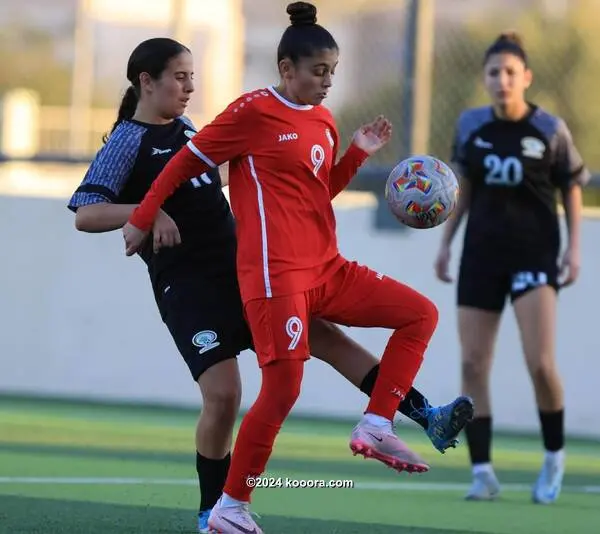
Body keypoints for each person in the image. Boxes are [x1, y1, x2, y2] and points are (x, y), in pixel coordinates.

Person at [68, 37, 473, 532]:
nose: (190, 86)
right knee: (225, 395)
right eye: (179, 77)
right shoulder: (128, 141)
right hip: (190, 284)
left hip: (241, 265)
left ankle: (420, 413)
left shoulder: (190, 129)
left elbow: (284, 184)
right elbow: (86, 214)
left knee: (327, 338)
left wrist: (349, 156)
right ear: (145, 83)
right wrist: (147, 215)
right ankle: (214, 509)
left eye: (193, 76)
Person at [434, 31, 589, 505]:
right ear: (484, 79)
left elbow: (572, 187)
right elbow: (464, 189)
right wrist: (445, 245)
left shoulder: (550, 129)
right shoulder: (471, 126)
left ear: (526, 78)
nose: (501, 80)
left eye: (509, 72)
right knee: (472, 363)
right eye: (493, 73)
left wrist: (574, 249)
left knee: (539, 363)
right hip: (481, 255)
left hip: (535, 257)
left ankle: (553, 457)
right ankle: (482, 471)